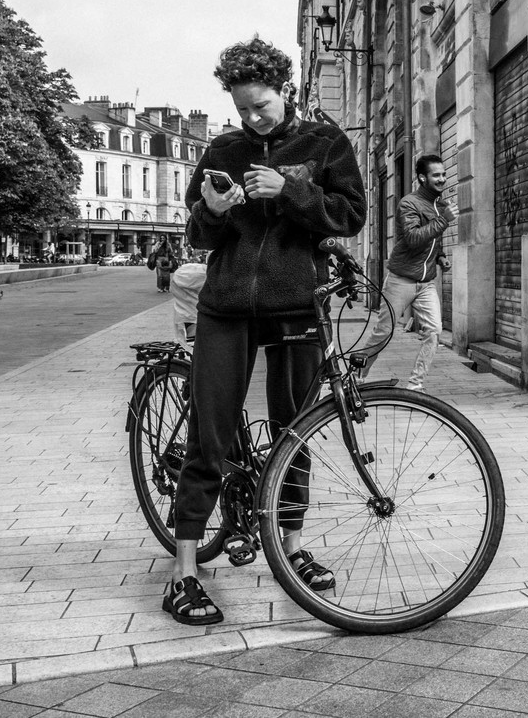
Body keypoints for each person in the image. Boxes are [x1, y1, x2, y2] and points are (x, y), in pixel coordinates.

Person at [164, 37, 365, 626]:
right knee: (211, 433)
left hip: (297, 307)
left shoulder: (323, 143)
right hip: (226, 308)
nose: (251, 119)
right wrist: (214, 212)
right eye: (242, 108)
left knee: (294, 433)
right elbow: (198, 234)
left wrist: (293, 191)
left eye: (261, 106)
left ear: (287, 92)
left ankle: (291, 547)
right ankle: (184, 572)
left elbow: (352, 215)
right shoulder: (222, 149)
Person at [378, 153, 454, 393]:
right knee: (383, 332)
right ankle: (358, 377)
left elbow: (432, 241)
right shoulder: (409, 203)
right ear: (422, 178)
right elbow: (412, 238)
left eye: (443, 174)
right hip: (401, 280)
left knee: (434, 331)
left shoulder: (439, 204)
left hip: (426, 282)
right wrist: (443, 221)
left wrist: (440, 257)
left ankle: (415, 385)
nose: (442, 179)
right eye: (436, 175)